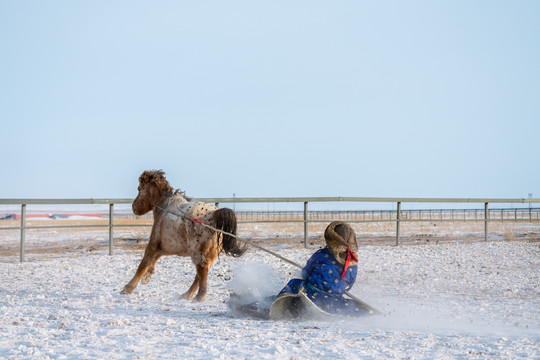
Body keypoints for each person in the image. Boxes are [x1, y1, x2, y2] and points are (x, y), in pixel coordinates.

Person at [268, 221, 369, 320]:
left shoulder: (321, 254)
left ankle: (282, 312)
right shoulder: (353, 262)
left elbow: (305, 272)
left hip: (311, 294)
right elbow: (349, 285)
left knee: (295, 283)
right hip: (335, 299)